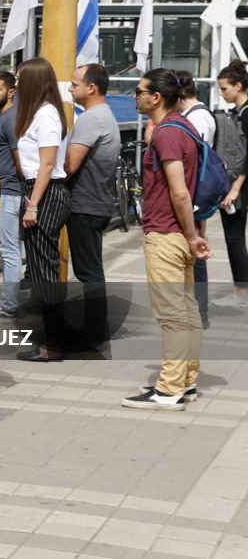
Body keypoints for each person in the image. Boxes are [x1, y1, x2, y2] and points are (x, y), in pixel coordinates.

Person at [122, 69, 210, 410]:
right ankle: (186, 381)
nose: (135, 96)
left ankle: (169, 389)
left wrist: (190, 235)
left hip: (166, 234)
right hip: (179, 235)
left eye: (139, 91)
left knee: (173, 316)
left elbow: (179, 192)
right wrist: (194, 234)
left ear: (155, 97)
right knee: (187, 313)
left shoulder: (166, 135)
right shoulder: (185, 126)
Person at [15, 58, 71, 361]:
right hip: (39, 191)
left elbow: (48, 163)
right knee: (39, 270)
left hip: (45, 193)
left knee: (45, 271)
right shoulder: (38, 113)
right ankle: (47, 340)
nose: (16, 85)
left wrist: (33, 204)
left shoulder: (46, 114)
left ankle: (52, 343)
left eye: (20, 79)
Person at [65, 64, 120, 350]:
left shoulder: (90, 119)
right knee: (92, 269)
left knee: (88, 271)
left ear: (91, 88)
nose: (71, 89)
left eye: (74, 84)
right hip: (98, 202)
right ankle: (95, 329)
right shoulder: (107, 115)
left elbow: (70, 164)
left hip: (85, 204)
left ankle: (95, 332)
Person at [176, 70, 215, 324]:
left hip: (195, 194)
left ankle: (199, 312)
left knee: (197, 253)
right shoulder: (200, 115)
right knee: (197, 251)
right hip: (197, 193)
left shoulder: (198, 118)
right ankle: (198, 311)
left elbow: (194, 159)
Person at [0, 70, 22, 319]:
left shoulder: (9, 120)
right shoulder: (4, 117)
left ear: (11, 91)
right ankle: (9, 303)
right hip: (7, 190)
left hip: (10, 191)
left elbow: (19, 159)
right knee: (10, 249)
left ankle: (9, 305)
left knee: (9, 251)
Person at [215, 60, 248, 307]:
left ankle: (242, 293)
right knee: (235, 237)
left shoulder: (245, 114)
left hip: (240, 186)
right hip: (239, 184)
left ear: (238, 86)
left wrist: (235, 187)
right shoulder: (239, 113)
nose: (222, 93)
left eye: (225, 88)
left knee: (234, 238)